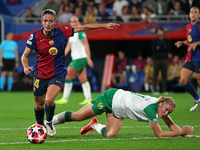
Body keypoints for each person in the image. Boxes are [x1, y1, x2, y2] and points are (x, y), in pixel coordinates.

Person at [21, 9, 119, 136]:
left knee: (49, 99)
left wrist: (104, 25)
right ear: (41, 22)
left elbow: (84, 27)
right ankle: (40, 125)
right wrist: (25, 66)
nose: (48, 24)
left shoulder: (62, 32)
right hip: (40, 73)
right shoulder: (35, 36)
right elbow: (24, 56)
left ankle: (49, 121)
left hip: (58, 73)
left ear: (55, 22)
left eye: (51, 21)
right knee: (39, 106)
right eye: (45, 21)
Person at [51, 88, 197, 138]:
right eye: (166, 110)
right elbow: (159, 134)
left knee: (110, 135)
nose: (166, 113)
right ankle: (49, 122)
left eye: (168, 111)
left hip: (118, 111)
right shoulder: (151, 109)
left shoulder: (159, 107)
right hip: (111, 99)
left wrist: (185, 133)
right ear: (160, 104)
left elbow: (171, 125)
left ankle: (94, 125)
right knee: (78, 116)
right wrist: (180, 133)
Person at [55, 16, 93, 105]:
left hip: (81, 58)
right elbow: (68, 47)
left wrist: (89, 58)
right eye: (72, 21)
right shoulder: (72, 33)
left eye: (75, 21)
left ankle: (65, 98)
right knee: (83, 79)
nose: (74, 23)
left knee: (67, 75)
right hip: (77, 58)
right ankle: (89, 99)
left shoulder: (81, 33)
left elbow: (86, 45)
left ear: (78, 22)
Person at [174, 7, 200, 111]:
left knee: (199, 80)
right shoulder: (188, 26)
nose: (193, 14)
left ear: (199, 15)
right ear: (189, 14)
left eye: (196, 12)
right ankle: (197, 99)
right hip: (190, 58)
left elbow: (195, 42)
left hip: (198, 57)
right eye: (192, 12)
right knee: (183, 80)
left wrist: (197, 43)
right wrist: (183, 42)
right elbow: (190, 40)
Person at [151, 26, 171, 94]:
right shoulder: (154, 41)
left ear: (163, 32)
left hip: (164, 60)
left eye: (160, 31)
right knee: (155, 75)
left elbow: (168, 50)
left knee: (164, 75)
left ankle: (164, 90)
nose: (159, 32)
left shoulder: (166, 40)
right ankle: (155, 90)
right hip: (156, 60)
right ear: (156, 33)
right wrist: (161, 49)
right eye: (158, 31)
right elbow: (154, 50)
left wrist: (159, 48)